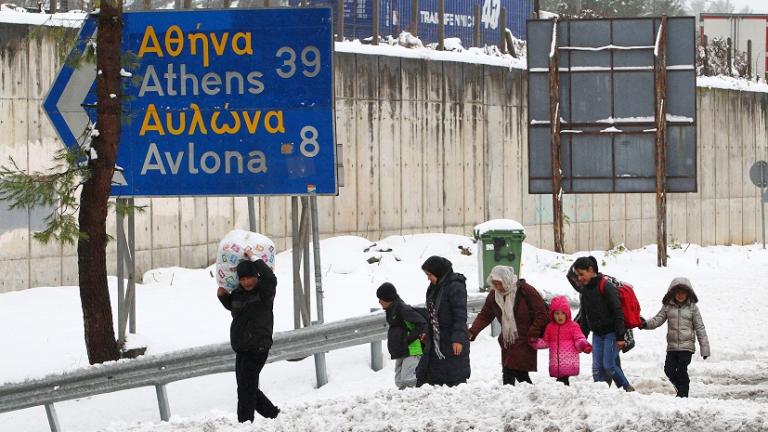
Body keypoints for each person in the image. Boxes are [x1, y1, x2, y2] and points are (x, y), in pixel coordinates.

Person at [217, 256, 280, 422]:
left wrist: (254, 258)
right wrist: (223, 297)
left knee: (246, 388)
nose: (246, 282)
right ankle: (273, 415)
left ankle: (244, 423)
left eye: (249, 278)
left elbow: (271, 278)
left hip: (258, 347)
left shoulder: (264, 292)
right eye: (243, 279)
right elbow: (234, 307)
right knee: (245, 387)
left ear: (256, 276)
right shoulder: (238, 293)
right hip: (242, 348)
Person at [468, 265, 548, 385]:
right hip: (507, 339)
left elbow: (541, 313)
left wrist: (533, 332)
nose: (497, 287)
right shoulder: (494, 296)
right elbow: (485, 315)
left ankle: (524, 395)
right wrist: (473, 331)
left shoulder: (525, 290)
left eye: (499, 283)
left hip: (526, 338)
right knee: (510, 370)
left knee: (517, 371)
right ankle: (513, 395)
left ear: (506, 279)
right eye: (494, 284)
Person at [571, 256, 635, 392]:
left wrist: (620, 336)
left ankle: (627, 389)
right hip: (598, 335)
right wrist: (582, 338)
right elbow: (585, 316)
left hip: (612, 333)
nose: (580, 278)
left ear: (590, 270)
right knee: (597, 367)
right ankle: (600, 393)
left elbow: (618, 312)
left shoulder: (606, 286)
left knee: (609, 365)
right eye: (577, 275)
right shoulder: (584, 291)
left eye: (582, 274)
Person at [639, 277, 710, 398]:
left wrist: (705, 349)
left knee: (682, 370)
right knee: (669, 370)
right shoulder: (668, 306)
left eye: (683, 292)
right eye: (678, 292)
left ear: (688, 293)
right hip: (672, 347)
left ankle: (683, 394)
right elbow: (657, 320)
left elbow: (700, 328)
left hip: (686, 347)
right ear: (673, 293)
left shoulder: (693, 308)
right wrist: (645, 324)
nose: (681, 295)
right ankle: (681, 387)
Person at [415, 255, 471, 387]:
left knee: (452, 380)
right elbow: (432, 314)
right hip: (436, 342)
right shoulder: (434, 287)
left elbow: (460, 315)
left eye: (429, 274)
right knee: (427, 380)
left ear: (438, 272)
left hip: (451, 341)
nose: (428, 278)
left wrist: (457, 339)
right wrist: (427, 332)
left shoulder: (455, 286)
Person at [530, 295, 592, 386]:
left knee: (562, 381)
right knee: (562, 383)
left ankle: (564, 396)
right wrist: (534, 342)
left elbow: (579, 338)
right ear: (552, 314)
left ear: (567, 313)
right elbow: (546, 342)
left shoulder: (573, 326)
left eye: (563, 313)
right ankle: (565, 396)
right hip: (555, 362)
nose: (560, 316)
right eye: (557, 313)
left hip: (569, 362)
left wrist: (584, 345)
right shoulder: (550, 327)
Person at [376, 282, 428, 389]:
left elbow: (422, 323)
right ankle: (405, 403)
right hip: (401, 350)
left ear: (387, 298)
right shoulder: (391, 310)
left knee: (409, 380)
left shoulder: (402, 308)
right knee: (399, 382)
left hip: (412, 349)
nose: (379, 302)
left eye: (381, 298)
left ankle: (423, 395)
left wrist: (408, 339)